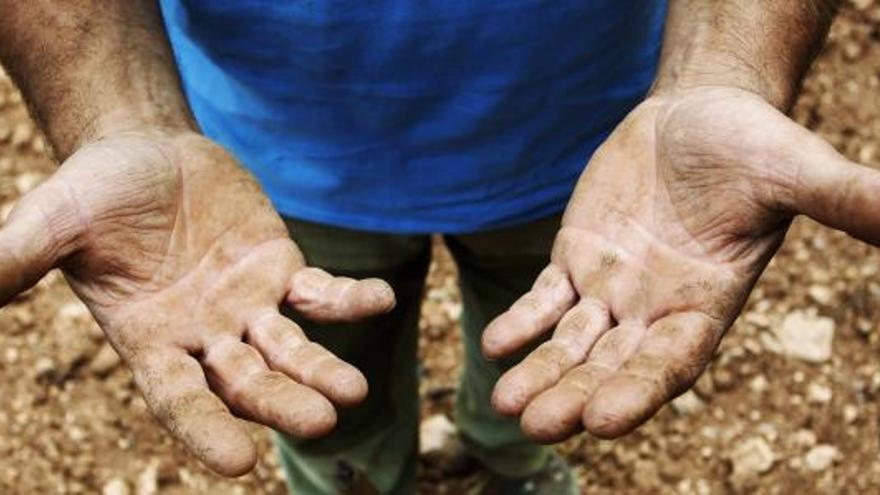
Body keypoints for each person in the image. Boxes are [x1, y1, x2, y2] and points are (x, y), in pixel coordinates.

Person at [0, 0, 877, 494]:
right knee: (325, 387)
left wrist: (722, 68)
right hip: (260, 178)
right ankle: (353, 482)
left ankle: (513, 458)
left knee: (550, 354)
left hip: (606, 163)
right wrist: (122, 114)